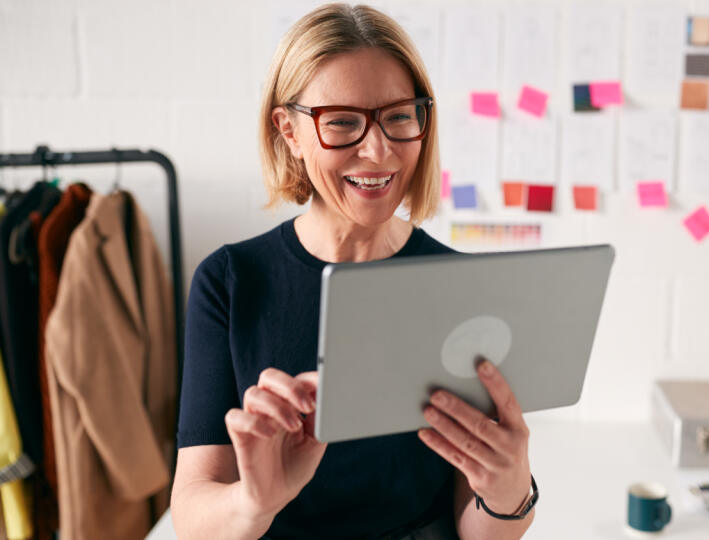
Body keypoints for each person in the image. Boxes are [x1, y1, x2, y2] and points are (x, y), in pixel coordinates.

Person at [169, 4, 535, 539]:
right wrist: (254, 503)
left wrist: (509, 493)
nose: (379, 150)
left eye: (399, 116)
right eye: (342, 122)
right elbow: (194, 519)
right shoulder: (230, 280)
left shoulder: (461, 288)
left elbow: (478, 530)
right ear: (288, 130)